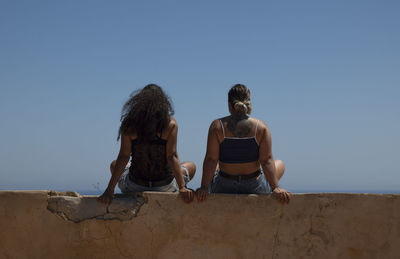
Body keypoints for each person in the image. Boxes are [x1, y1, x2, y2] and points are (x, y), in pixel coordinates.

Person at [98, 84, 196, 205]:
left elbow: (124, 156)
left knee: (114, 164)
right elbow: (172, 156)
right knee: (191, 166)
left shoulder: (130, 125)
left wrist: (109, 189)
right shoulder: (170, 124)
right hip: (165, 187)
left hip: (135, 186)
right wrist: (182, 187)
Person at [196, 84, 291, 204]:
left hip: (224, 186)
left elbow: (211, 159)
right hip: (253, 186)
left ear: (229, 104)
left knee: (217, 166)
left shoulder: (217, 126)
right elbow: (266, 160)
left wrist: (204, 187)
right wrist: (275, 188)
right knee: (280, 164)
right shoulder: (260, 127)